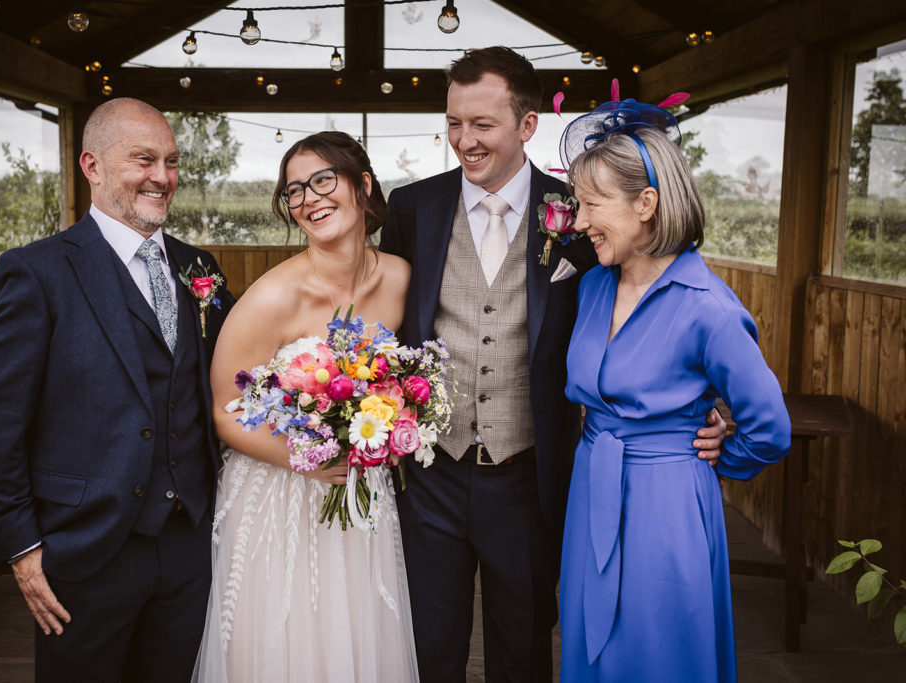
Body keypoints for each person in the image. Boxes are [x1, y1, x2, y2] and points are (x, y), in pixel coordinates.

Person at [380, 46, 729, 682]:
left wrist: (707, 400)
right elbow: (383, 312)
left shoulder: (581, 211)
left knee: (523, 647)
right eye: (455, 122)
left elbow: (649, 299)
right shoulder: (412, 209)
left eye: (483, 124)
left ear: (528, 124)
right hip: (429, 472)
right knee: (429, 645)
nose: (465, 140)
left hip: (529, 475)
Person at [0, 98, 235, 683]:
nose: (162, 178)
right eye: (143, 160)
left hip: (190, 544)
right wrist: (22, 549)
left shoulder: (199, 268)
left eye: (171, 161)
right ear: (92, 165)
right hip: (83, 550)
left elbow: (239, 372)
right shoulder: (37, 272)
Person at [557, 99, 792, 682]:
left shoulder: (709, 308)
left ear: (646, 203)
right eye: (578, 204)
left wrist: (721, 454)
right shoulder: (591, 287)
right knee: (589, 645)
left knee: (659, 648)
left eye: (592, 204)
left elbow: (771, 427)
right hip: (591, 486)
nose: (580, 221)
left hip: (666, 501)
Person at [192, 131, 418, 682]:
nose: (308, 198)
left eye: (323, 179)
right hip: (281, 494)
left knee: (362, 636)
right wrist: (309, 461)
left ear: (363, 185)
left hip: (361, 492)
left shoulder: (401, 278)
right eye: (294, 191)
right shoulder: (274, 296)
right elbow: (225, 411)